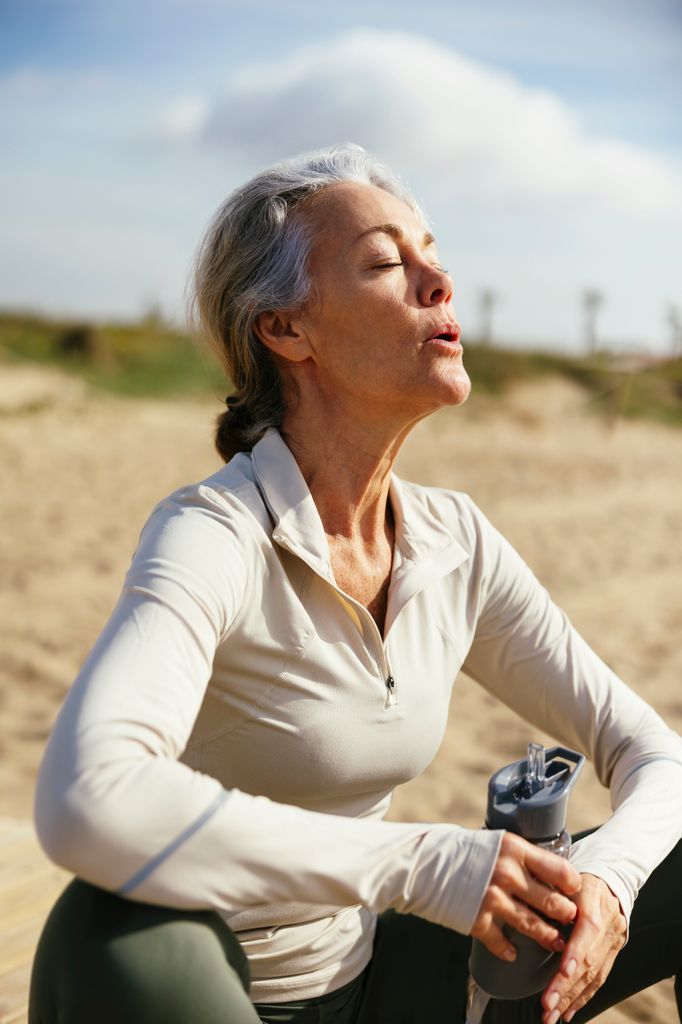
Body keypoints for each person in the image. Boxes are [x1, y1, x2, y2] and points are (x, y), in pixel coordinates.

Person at [30, 144, 681, 1024]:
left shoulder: (454, 542)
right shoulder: (213, 533)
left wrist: (608, 883)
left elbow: (652, 752)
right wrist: (424, 865)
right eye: (383, 264)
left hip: (379, 983)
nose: (438, 283)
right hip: (209, 987)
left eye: (432, 256)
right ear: (285, 330)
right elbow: (88, 794)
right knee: (106, 930)